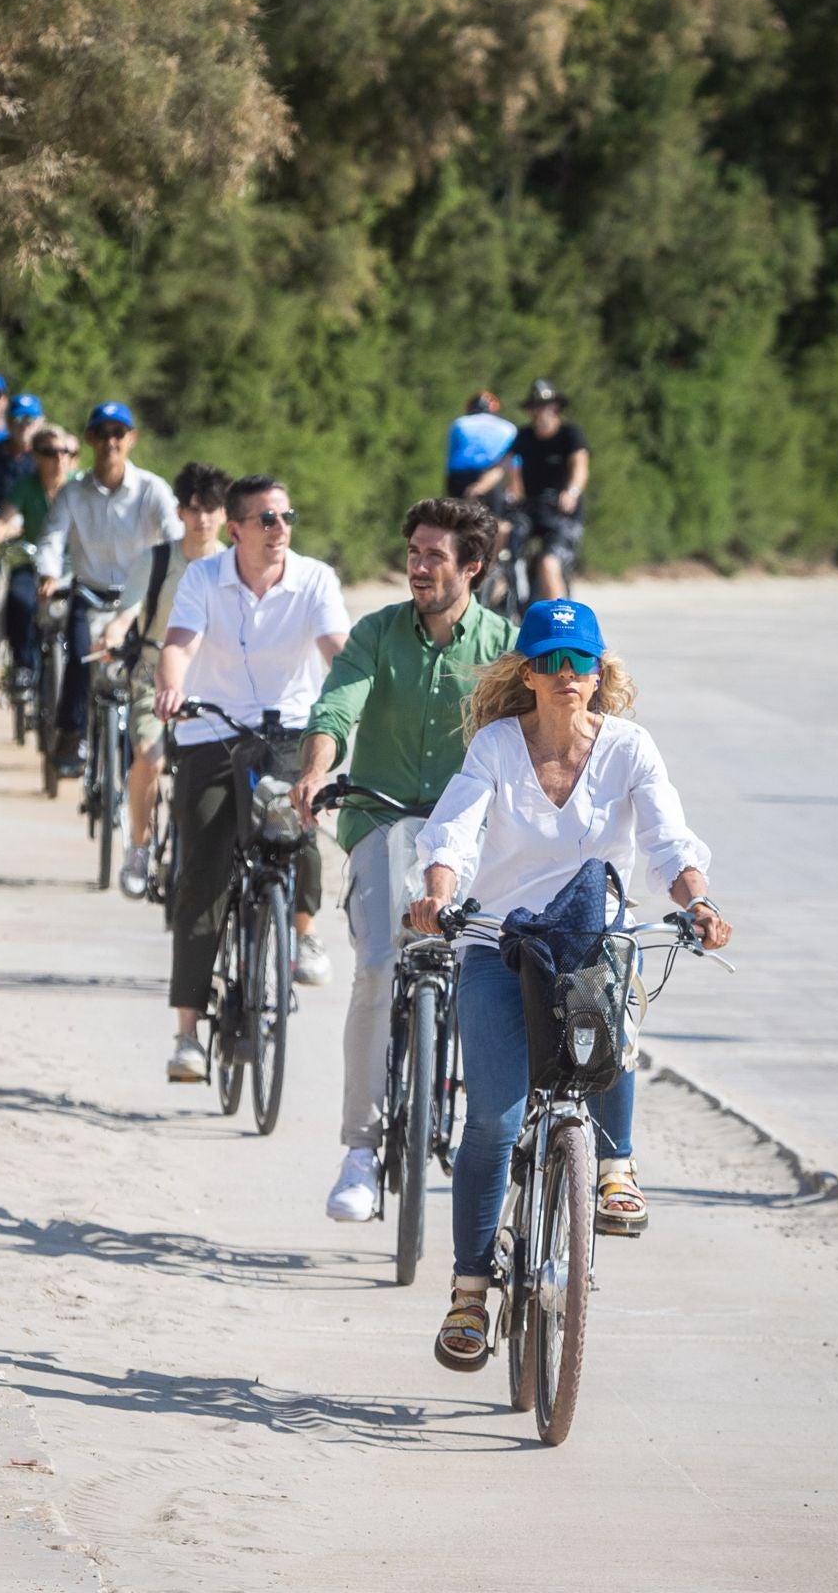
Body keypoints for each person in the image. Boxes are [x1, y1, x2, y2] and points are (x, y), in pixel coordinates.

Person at [408, 597, 733, 1371]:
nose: (564, 675)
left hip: (591, 942)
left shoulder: (627, 748)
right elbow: (454, 825)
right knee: (492, 1116)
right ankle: (468, 1293)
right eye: (549, 661)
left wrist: (698, 901)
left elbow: (664, 836)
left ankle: (614, 1167)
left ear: (598, 670)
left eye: (577, 661)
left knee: (611, 998)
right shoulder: (495, 744)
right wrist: (437, 891)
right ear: (526, 671)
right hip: (500, 941)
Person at [291, 498, 516, 1223]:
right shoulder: (376, 633)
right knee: (379, 968)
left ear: (471, 567)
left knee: (492, 975)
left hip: (469, 835)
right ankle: (360, 1149)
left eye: (434, 556)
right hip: (380, 818)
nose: (418, 567)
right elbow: (336, 707)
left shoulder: (505, 649)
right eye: (413, 553)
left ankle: (495, 1131)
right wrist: (318, 766)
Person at [153, 475, 351, 1082]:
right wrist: (171, 684)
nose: (280, 529)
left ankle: (304, 932)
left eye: (287, 517)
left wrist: (357, 682)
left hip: (288, 731)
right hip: (210, 732)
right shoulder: (204, 578)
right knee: (202, 877)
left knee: (302, 818)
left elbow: (336, 645)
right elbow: (180, 643)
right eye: (267, 519)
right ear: (234, 529)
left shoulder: (313, 578)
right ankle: (188, 1034)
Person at [92, 462, 231, 897]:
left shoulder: (235, 566)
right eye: (193, 509)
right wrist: (113, 635)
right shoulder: (155, 561)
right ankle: (139, 845)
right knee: (149, 757)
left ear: (225, 514)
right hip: (153, 677)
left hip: (214, 681)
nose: (202, 519)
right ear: (179, 511)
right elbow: (127, 612)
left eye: (211, 509)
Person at [36, 401, 181, 774]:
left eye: (118, 434)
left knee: (145, 667)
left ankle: (148, 744)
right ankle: (71, 737)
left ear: (131, 439)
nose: (110, 442)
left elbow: (174, 535)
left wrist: (182, 574)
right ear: (90, 439)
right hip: (90, 591)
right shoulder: (73, 492)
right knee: (80, 656)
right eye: (102, 434)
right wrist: (49, 573)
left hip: (139, 599)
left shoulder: (152, 489)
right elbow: (52, 537)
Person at [0, 422, 79, 690]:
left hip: (75, 567)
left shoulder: (79, 488)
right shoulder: (25, 486)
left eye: (64, 452)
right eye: (50, 452)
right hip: (33, 565)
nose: (59, 458)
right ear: (35, 456)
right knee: (19, 599)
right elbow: (5, 517)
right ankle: (24, 666)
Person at [505, 378, 589, 600]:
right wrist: (485, 488)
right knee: (502, 544)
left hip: (562, 513)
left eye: (545, 405)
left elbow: (580, 467)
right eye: (535, 406)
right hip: (531, 509)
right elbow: (505, 467)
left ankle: (558, 627)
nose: (540, 411)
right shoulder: (523, 436)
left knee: (548, 562)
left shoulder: (570, 434)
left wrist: (571, 492)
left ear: (556, 406)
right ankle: (499, 602)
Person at [445, 392, 517, 504]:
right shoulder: (508, 428)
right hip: (492, 479)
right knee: (493, 519)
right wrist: (514, 488)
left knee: (457, 518)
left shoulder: (459, 423)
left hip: (459, 479)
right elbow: (514, 463)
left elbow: (450, 456)